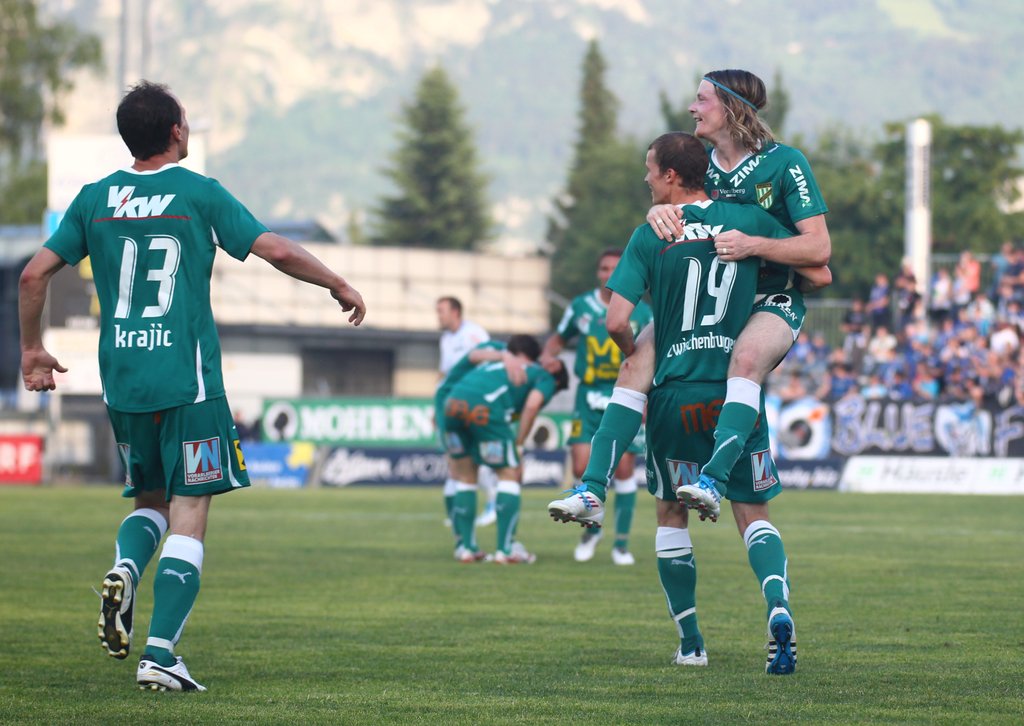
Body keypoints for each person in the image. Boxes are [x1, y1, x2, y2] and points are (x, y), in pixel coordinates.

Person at [18, 81, 366, 692]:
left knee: (149, 500)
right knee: (189, 512)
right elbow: (275, 249)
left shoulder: (94, 198)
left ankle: (127, 567)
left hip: (123, 382)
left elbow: (32, 276)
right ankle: (159, 654)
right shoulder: (197, 192)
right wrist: (337, 283)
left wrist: (31, 349)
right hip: (189, 382)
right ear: (177, 131)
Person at [554, 132, 800, 673]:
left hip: (675, 392)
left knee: (670, 514)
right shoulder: (748, 220)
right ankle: (778, 607)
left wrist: (641, 352)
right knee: (753, 513)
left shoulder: (652, 232)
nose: (646, 177)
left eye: (650, 168)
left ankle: (691, 644)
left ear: (669, 175)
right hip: (734, 391)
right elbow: (816, 265)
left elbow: (616, 321)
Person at [551, 69, 830, 528]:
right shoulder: (702, 166)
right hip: (707, 300)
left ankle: (714, 479)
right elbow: (683, 200)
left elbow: (820, 253)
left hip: (768, 298)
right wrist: (660, 210)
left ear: (731, 107)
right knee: (633, 366)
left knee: (746, 360)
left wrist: (754, 245)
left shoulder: (785, 162)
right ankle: (591, 489)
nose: (691, 108)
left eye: (701, 99)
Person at [540, 249, 653, 565]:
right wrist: (548, 356)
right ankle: (592, 531)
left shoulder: (642, 312)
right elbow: (558, 339)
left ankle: (621, 545)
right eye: (604, 268)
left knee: (625, 468)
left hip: (626, 393)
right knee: (581, 467)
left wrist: (649, 395)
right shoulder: (581, 307)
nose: (609, 274)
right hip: (587, 396)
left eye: (615, 268)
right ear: (598, 272)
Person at [443, 334, 568, 563]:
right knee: (509, 474)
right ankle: (505, 549)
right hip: (485, 410)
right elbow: (532, 405)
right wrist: (519, 443)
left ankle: (466, 548)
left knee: (466, 476)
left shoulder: (498, 361)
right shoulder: (545, 377)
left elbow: (471, 359)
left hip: (451, 405)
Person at [434, 337, 529, 555]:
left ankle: (465, 545)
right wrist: (504, 356)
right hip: (453, 405)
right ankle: (467, 543)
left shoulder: (504, 372)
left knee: (464, 474)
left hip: (465, 409)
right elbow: (475, 355)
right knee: (460, 472)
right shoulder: (498, 350)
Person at [436, 296, 498, 527]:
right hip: (451, 404)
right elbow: (444, 373)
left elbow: (489, 362)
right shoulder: (446, 339)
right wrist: (437, 404)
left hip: (473, 403)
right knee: (456, 456)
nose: (438, 316)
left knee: (474, 456)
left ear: (455, 312)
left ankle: (492, 503)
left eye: (441, 311)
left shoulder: (474, 334)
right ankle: (460, 513)